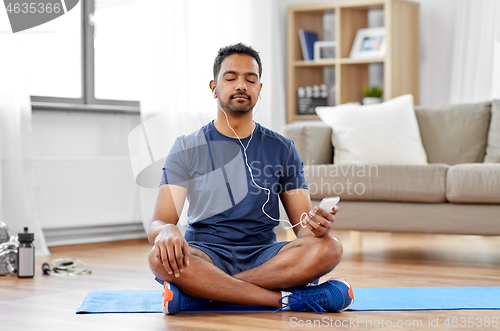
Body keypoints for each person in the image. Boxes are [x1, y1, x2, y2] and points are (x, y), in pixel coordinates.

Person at [148, 43, 353, 315]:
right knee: (158, 257)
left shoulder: (282, 148)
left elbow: (302, 229)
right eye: (231, 78)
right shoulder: (187, 146)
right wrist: (166, 230)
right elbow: (160, 221)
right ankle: (285, 300)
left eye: (250, 79)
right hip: (206, 254)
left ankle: (204, 294)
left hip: (264, 257)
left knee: (329, 248)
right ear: (214, 87)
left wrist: (316, 226)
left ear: (259, 89)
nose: (241, 85)